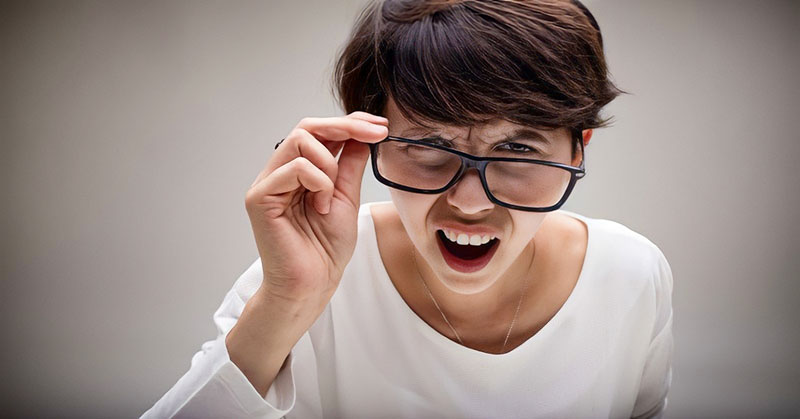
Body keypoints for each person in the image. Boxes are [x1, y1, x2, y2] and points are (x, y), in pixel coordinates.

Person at [142, 0, 674, 418]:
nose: (468, 202)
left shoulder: (630, 274)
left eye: (517, 150)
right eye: (427, 147)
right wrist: (285, 303)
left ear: (579, 149)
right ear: (368, 138)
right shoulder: (302, 277)